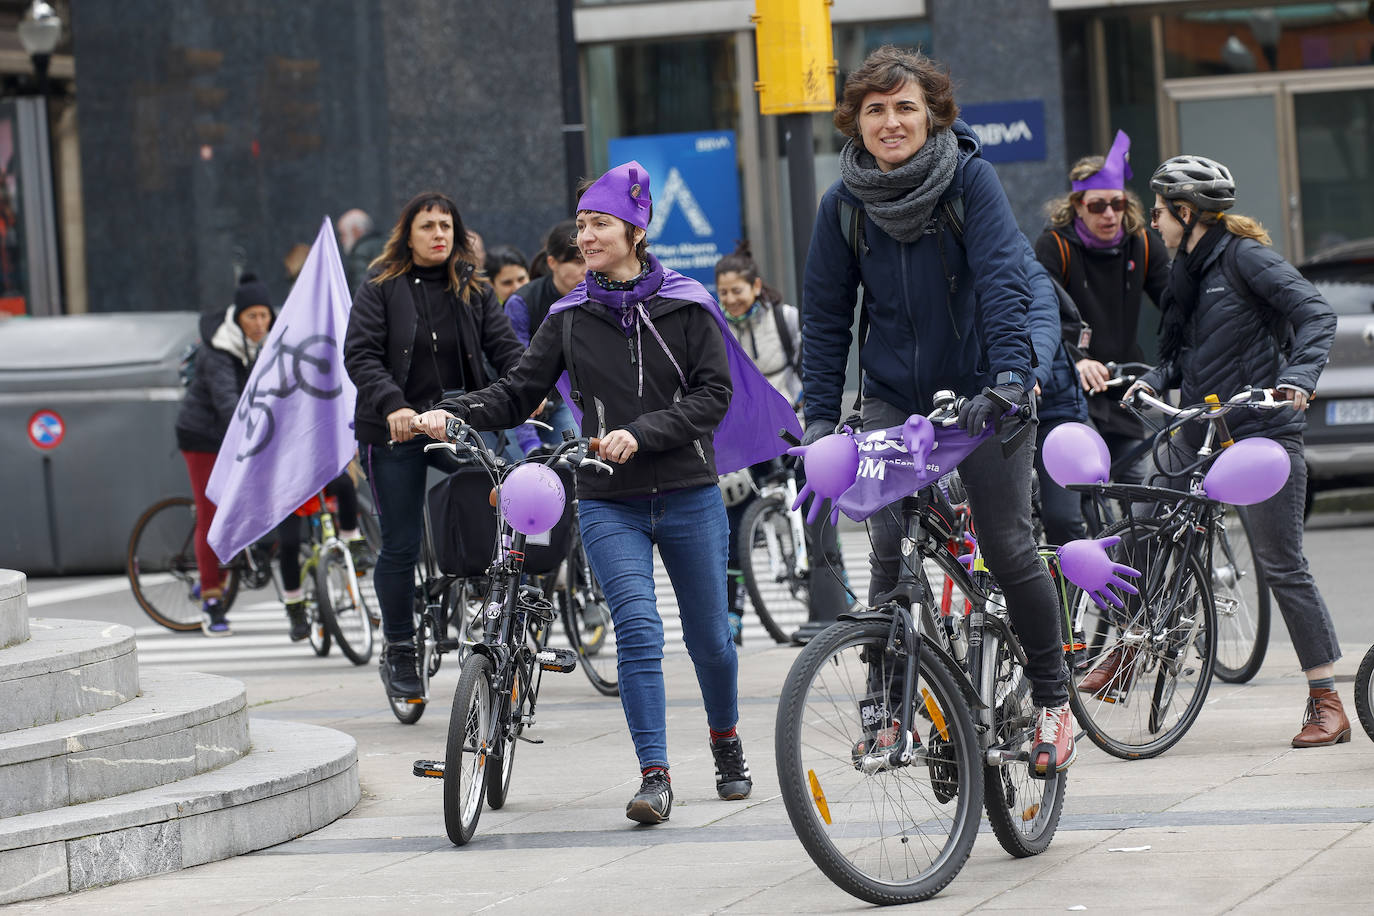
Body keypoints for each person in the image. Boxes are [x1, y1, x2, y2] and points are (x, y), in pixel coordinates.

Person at [414, 161, 791, 825]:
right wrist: (454, 411)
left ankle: (726, 742)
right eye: (581, 224)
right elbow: (517, 393)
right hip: (606, 498)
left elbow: (713, 395)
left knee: (710, 639)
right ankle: (655, 776)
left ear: (635, 231)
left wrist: (641, 434)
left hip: (688, 491)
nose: (585, 237)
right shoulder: (568, 317)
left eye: (599, 225)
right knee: (639, 631)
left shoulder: (688, 305)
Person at [800, 46, 1075, 775]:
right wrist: (820, 422)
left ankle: (1052, 699)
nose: (891, 122)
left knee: (1008, 544)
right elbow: (827, 321)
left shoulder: (970, 181)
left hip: (984, 388)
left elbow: (1002, 282)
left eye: (905, 107)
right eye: (875, 110)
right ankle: (888, 712)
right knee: (888, 552)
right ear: (855, 124)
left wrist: (1013, 376)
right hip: (892, 397)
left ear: (933, 115)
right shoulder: (843, 206)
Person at [1124, 155, 1344, 747]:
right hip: (1201, 427)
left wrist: (1298, 377)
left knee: (1282, 565)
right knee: (1146, 518)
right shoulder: (1188, 270)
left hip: (1261, 435)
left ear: (1187, 213)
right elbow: (1191, 354)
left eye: (1161, 213)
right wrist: (1155, 376)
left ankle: (1327, 701)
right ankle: (1129, 651)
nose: (1155, 224)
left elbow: (1316, 313)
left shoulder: (1245, 259)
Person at [343, 191, 526, 701]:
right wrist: (393, 406)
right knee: (400, 542)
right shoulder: (381, 286)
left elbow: (505, 350)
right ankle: (400, 647)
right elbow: (360, 355)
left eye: (446, 225)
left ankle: (496, 639)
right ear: (408, 233)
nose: (439, 234)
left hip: (459, 423)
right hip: (396, 428)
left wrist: (527, 391)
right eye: (428, 226)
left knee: (494, 528)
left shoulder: (472, 286)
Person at [1034, 132, 1169, 485]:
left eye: (1117, 204)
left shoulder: (1140, 241)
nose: (1109, 214)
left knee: (1135, 485)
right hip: (1073, 385)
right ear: (1078, 205)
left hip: (1122, 381)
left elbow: (1173, 299)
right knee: (1088, 484)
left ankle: (1129, 542)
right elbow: (1044, 313)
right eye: (1097, 206)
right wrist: (1077, 359)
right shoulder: (1055, 246)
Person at [712, 242, 805, 644]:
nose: (730, 299)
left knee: (814, 501)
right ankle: (733, 614)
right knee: (735, 519)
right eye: (724, 292)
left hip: (792, 427)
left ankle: (838, 585)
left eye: (737, 290)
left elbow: (813, 365)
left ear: (755, 287)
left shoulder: (785, 320)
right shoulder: (715, 327)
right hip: (744, 437)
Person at [175, 274, 275, 637]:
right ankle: (213, 602)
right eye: (252, 317)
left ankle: (219, 568)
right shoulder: (220, 347)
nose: (259, 324)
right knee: (211, 513)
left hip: (233, 435)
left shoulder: (264, 345)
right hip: (203, 435)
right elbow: (228, 400)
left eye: (265, 316)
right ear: (238, 318)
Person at [503, 219, 584, 447]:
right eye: (578, 261)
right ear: (552, 262)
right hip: (517, 404)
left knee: (573, 466)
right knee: (527, 468)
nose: (586, 268)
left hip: (564, 402)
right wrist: (529, 444)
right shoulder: (522, 302)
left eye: (589, 258)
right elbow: (516, 372)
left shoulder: (596, 297)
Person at [338, 208, 384, 294]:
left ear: (356, 231)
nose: (342, 240)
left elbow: (360, 290)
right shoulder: (386, 246)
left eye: (343, 234)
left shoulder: (360, 252)